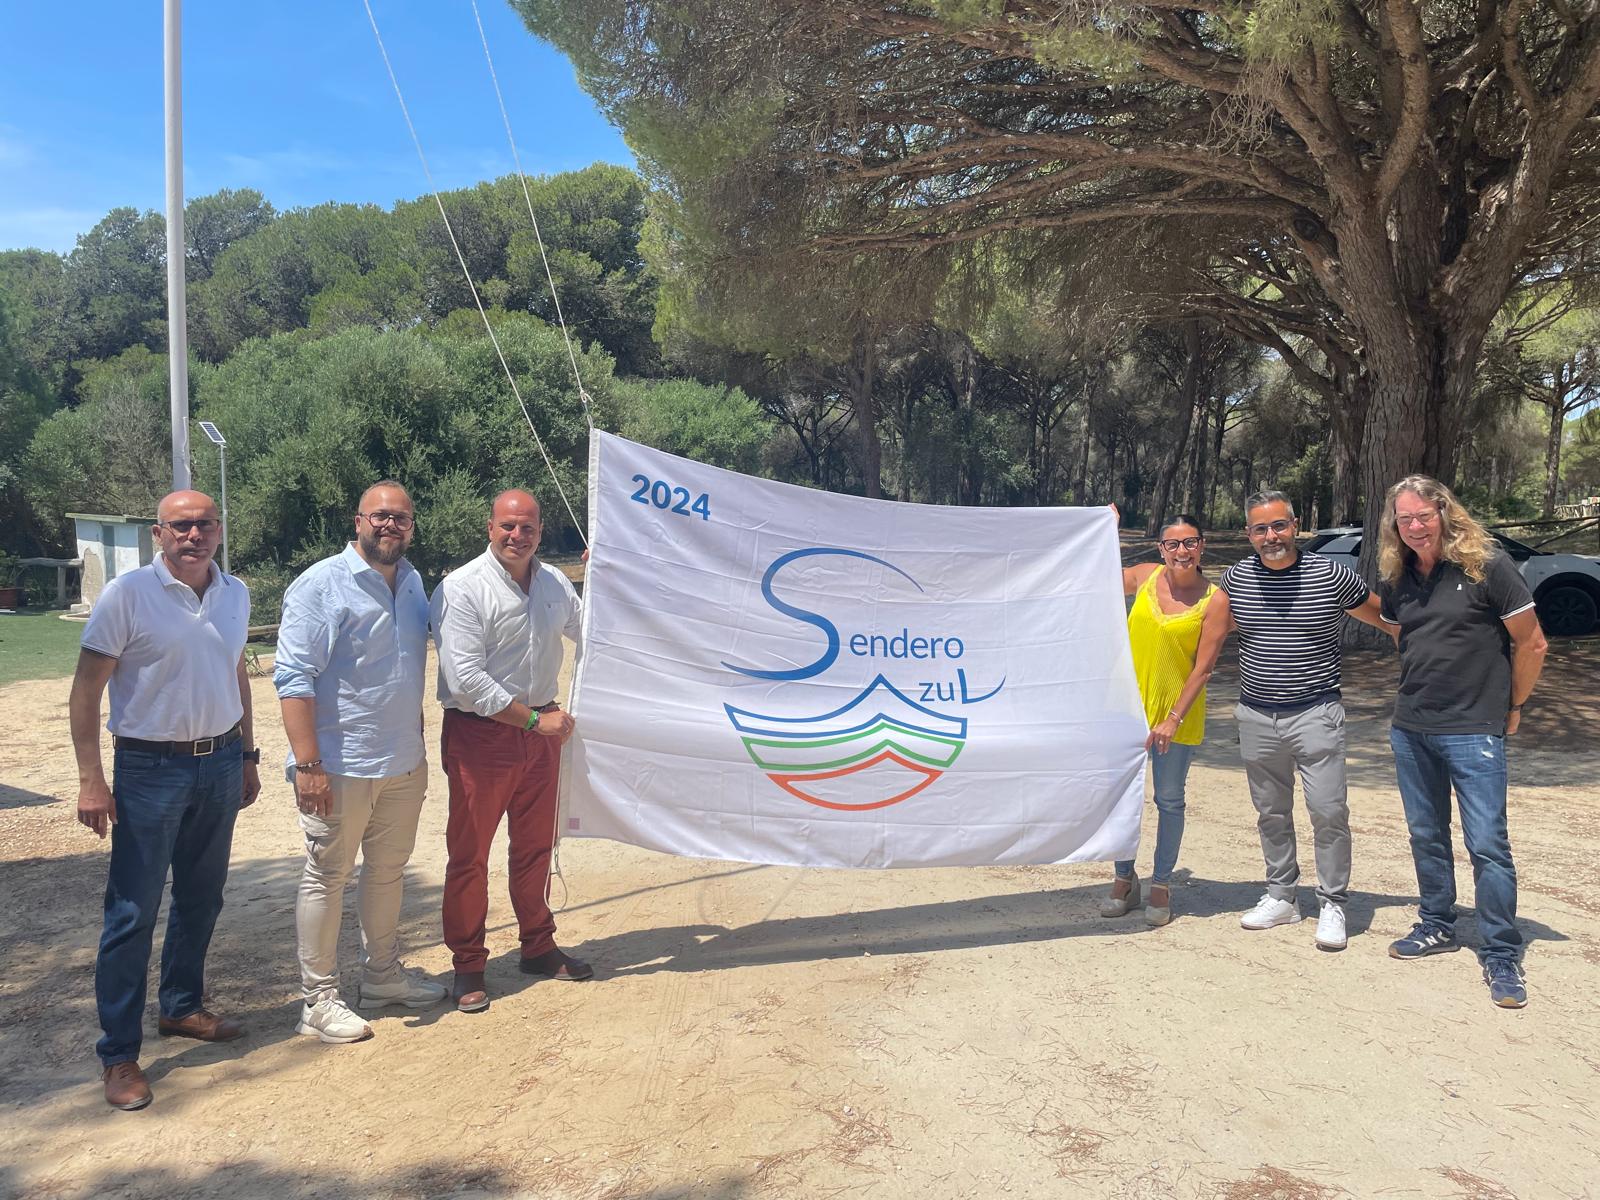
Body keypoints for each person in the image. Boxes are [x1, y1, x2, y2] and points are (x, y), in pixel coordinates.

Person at [68, 490, 261, 1111]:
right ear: (159, 533)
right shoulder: (127, 596)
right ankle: (119, 1055)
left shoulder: (234, 593)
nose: (194, 535)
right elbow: (85, 692)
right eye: (181, 525)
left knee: (202, 898)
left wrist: (249, 755)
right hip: (150, 769)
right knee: (132, 912)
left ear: (219, 530)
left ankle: (180, 1008)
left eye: (204, 524)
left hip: (222, 761)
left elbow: (236, 674)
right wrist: (91, 779)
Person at [274, 481, 445, 1044]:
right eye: (379, 516)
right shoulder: (322, 585)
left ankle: (383, 977)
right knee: (327, 876)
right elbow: (293, 678)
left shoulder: (416, 583)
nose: (389, 525)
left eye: (400, 517)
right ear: (358, 521)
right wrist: (308, 765)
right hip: (339, 766)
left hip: (401, 763)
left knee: (388, 873)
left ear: (411, 526)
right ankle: (318, 1001)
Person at [1375, 475, 1547, 1009]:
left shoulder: (1488, 566)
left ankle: (1501, 952)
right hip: (1412, 728)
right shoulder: (1399, 575)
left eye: (1423, 516)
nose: (1415, 527)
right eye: (1404, 519)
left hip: (1475, 730)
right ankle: (1437, 924)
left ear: (1445, 513)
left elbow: (1533, 643)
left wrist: (1512, 707)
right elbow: (1402, 630)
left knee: (1488, 846)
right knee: (1426, 835)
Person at [431, 489, 585, 1012]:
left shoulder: (556, 583)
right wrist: (537, 721)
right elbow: (466, 679)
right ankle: (468, 964)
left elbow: (593, 630)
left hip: (541, 732)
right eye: (508, 526)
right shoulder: (463, 587)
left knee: (535, 846)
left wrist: (610, 578)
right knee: (470, 855)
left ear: (541, 531)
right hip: (483, 735)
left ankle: (538, 947)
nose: (517, 536)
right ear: (489, 526)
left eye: (528, 528)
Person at [1221, 490, 1390, 950]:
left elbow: (1386, 619)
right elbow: (1199, 623)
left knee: (1329, 811)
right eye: (1260, 528)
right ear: (1249, 534)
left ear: (1295, 526)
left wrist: (1430, 650)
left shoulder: (1332, 574)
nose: (1271, 536)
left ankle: (1332, 902)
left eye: (1278, 525)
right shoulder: (1234, 580)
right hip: (1255, 714)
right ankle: (1281, 896)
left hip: (1316, 711)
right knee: (1270, 812)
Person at [1100, 514, 1231, 926]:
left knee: (1169, 801)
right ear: (1161, 549)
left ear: (1202, 546)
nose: (1181, 552)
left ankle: (1160, 883)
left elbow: (1204, 669)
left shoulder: (1215, 600)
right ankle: (1124, 879)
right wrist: (1106, 529)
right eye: (1172, 544)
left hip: (1177, 717)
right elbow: (1091, 575)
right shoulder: (1143, 577)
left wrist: (1172, 719)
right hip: (1125, 712)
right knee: (1123, 799)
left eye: (1189, 543)